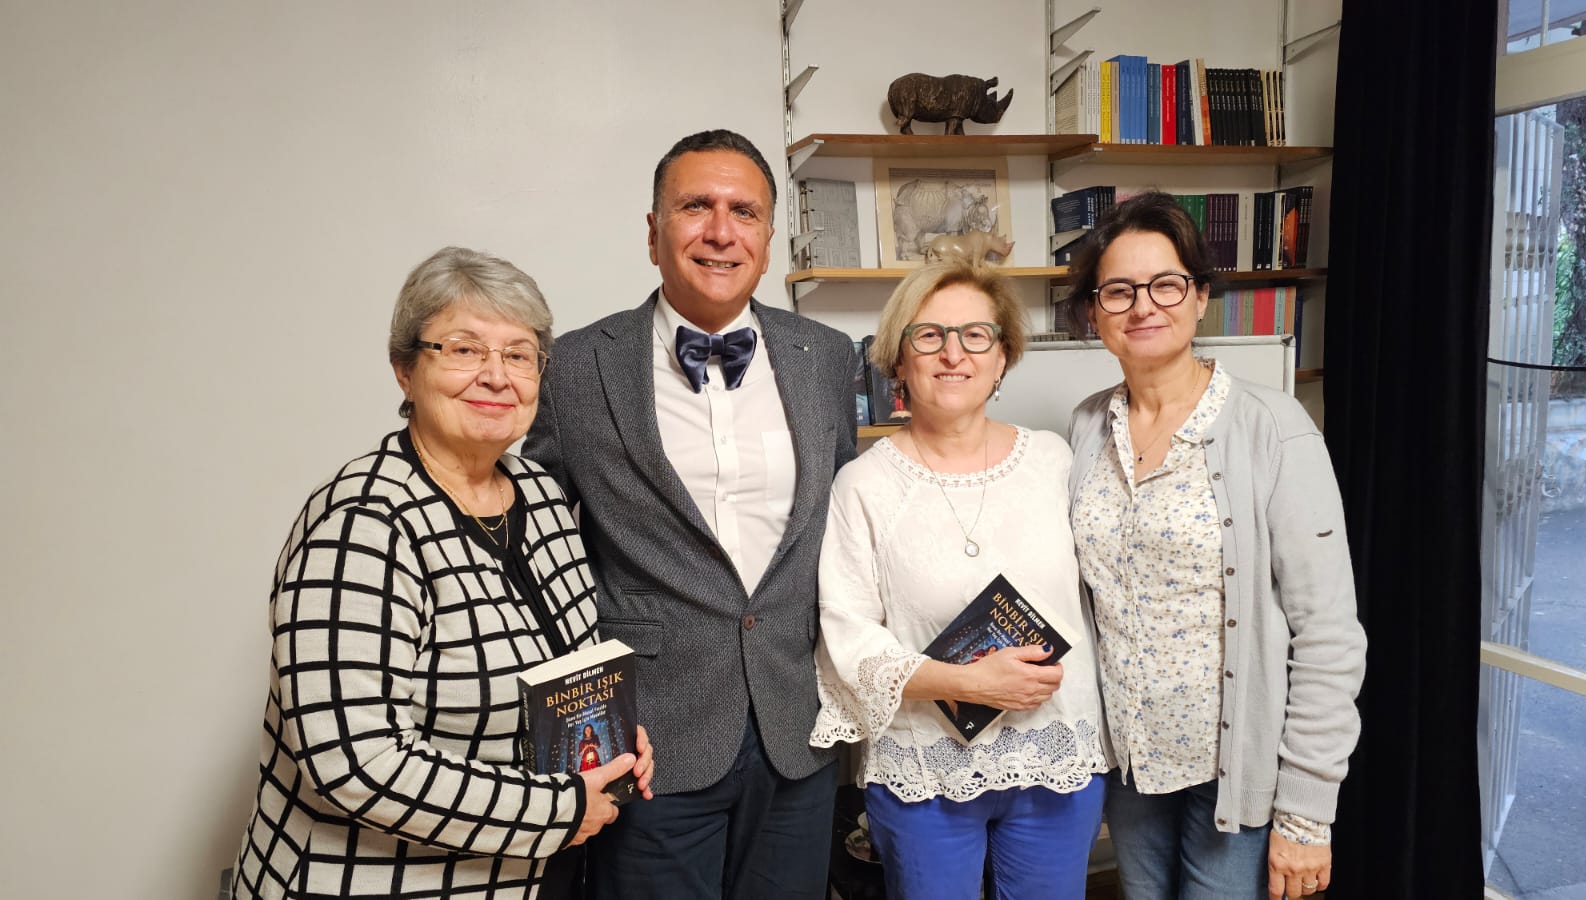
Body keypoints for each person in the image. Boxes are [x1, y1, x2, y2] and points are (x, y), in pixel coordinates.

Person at [231, 247, 654, 900]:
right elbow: (353, 762)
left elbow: (566, 671)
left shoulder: (541, 493)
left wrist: (611, 737)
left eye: (519, 355)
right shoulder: (362, 523)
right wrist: (559, 808)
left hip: (533, 875)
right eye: (463, 350)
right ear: (405, 369)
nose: (496, 376)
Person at [521, 129, 857, 899]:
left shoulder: (827, 356)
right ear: (653, 233)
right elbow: (540, 549)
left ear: (767, 239)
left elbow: (846, 526)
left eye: (745, 212)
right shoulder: (574, 367)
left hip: (796, 726)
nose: (720, 231)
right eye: (695, 206)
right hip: (648, 736)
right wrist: (579, 722)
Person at [1060, 191, 1366, 900]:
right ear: (1094, 313)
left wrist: (1307, 811)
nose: (1143, 306)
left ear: (1200, 297)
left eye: (1166, 284)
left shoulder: (1273, 428)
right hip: (1132, 765)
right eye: (1118, 290)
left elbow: (1328, 633)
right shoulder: (1086, 426)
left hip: (1235, 768)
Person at [809, 260, 1108, 900]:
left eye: (976, 335)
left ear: (1003, 358)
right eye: (929, 335)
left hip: (1055, 755)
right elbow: (848, 634)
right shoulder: (862, 485)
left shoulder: (1054, 460)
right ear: (898, 361)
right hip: (926, 768)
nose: (953, 354)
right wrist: (968, 683)